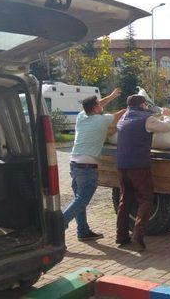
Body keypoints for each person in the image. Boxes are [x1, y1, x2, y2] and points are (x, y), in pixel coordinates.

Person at [63, 88, 126, 241]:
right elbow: (118, 116)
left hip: (75, 164)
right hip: (87, 167)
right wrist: (129, 108)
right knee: (82, 200)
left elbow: (95, 105)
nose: (101, 105)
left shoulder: (81, 116)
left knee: (79, 199)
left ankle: (83, 231)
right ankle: (58, 224)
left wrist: (111, 96)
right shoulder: (102, 119)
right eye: (99, 104)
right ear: (95, 108)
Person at [116, 95, 170, 251]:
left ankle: (121, 236)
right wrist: (167, 116)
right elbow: (167, 128)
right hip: (138, 165)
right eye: (145, 104)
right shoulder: (146, 119)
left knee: (125, 199)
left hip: (122, 165)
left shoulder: (123, 118)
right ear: (142, 105)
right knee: (146, 198)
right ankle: (138, 233)